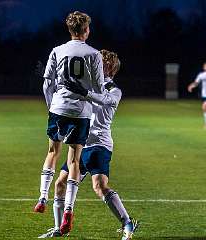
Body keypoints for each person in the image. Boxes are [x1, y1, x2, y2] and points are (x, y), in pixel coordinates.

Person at [38, 50, 139, 239]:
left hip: (99, 143)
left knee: (99, 185)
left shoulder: (114, 90)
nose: (96, 65)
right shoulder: (88, 84)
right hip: (80, 142)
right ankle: (59, 229)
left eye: (102, 63)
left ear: (110, 68)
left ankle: (127, 223)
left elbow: (101, 99)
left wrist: (82, 91)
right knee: (60, 183)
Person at [35, 10, 105, 234]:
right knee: (74, 159)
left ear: (69, 29)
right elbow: (98, 89)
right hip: (81, 111)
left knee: (52, 152)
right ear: (86, 30)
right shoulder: (94, 54)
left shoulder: (57, 50)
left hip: (58, 108)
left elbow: (47, 83)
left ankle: (43, 197)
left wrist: (51, 105)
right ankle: (68, 210)